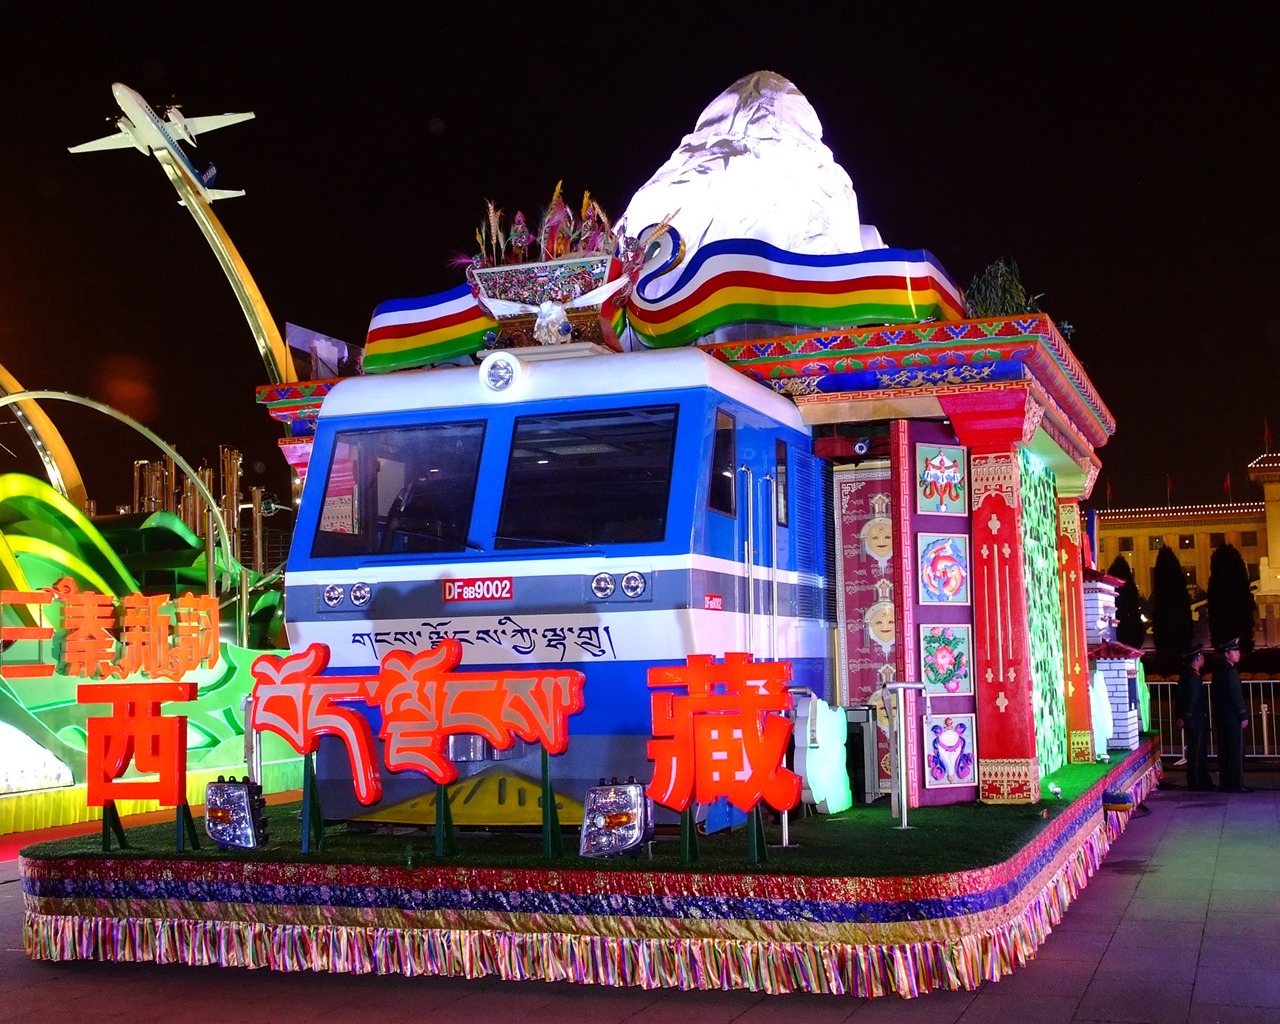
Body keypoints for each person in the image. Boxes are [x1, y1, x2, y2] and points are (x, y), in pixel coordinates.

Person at [1211, 638, 1252, 792]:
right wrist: (1243, 715)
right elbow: (1236, 695)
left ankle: (1225, 783)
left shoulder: (1218, 670)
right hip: (1233, 718)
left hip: (1222, 718)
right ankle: (1236, 784)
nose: (1238, 654)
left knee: (1224, 751)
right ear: (1227, 654)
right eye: (1235, 651)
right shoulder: (1231, 671)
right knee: (1235, 751)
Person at [1175, 644, 1214, 790]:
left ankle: (1202, 780)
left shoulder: (1185, 675)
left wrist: (1181, 716)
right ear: (1197, 658)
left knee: (1197, 750)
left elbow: (1180, 699)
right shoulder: (1194, 677)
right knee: (1196, 752)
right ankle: (1196, 781)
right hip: (1196, 719)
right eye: (1201, 656)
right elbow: (1192, 699)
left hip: (1192, 719)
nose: (1203, 659)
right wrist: (1186, 717)